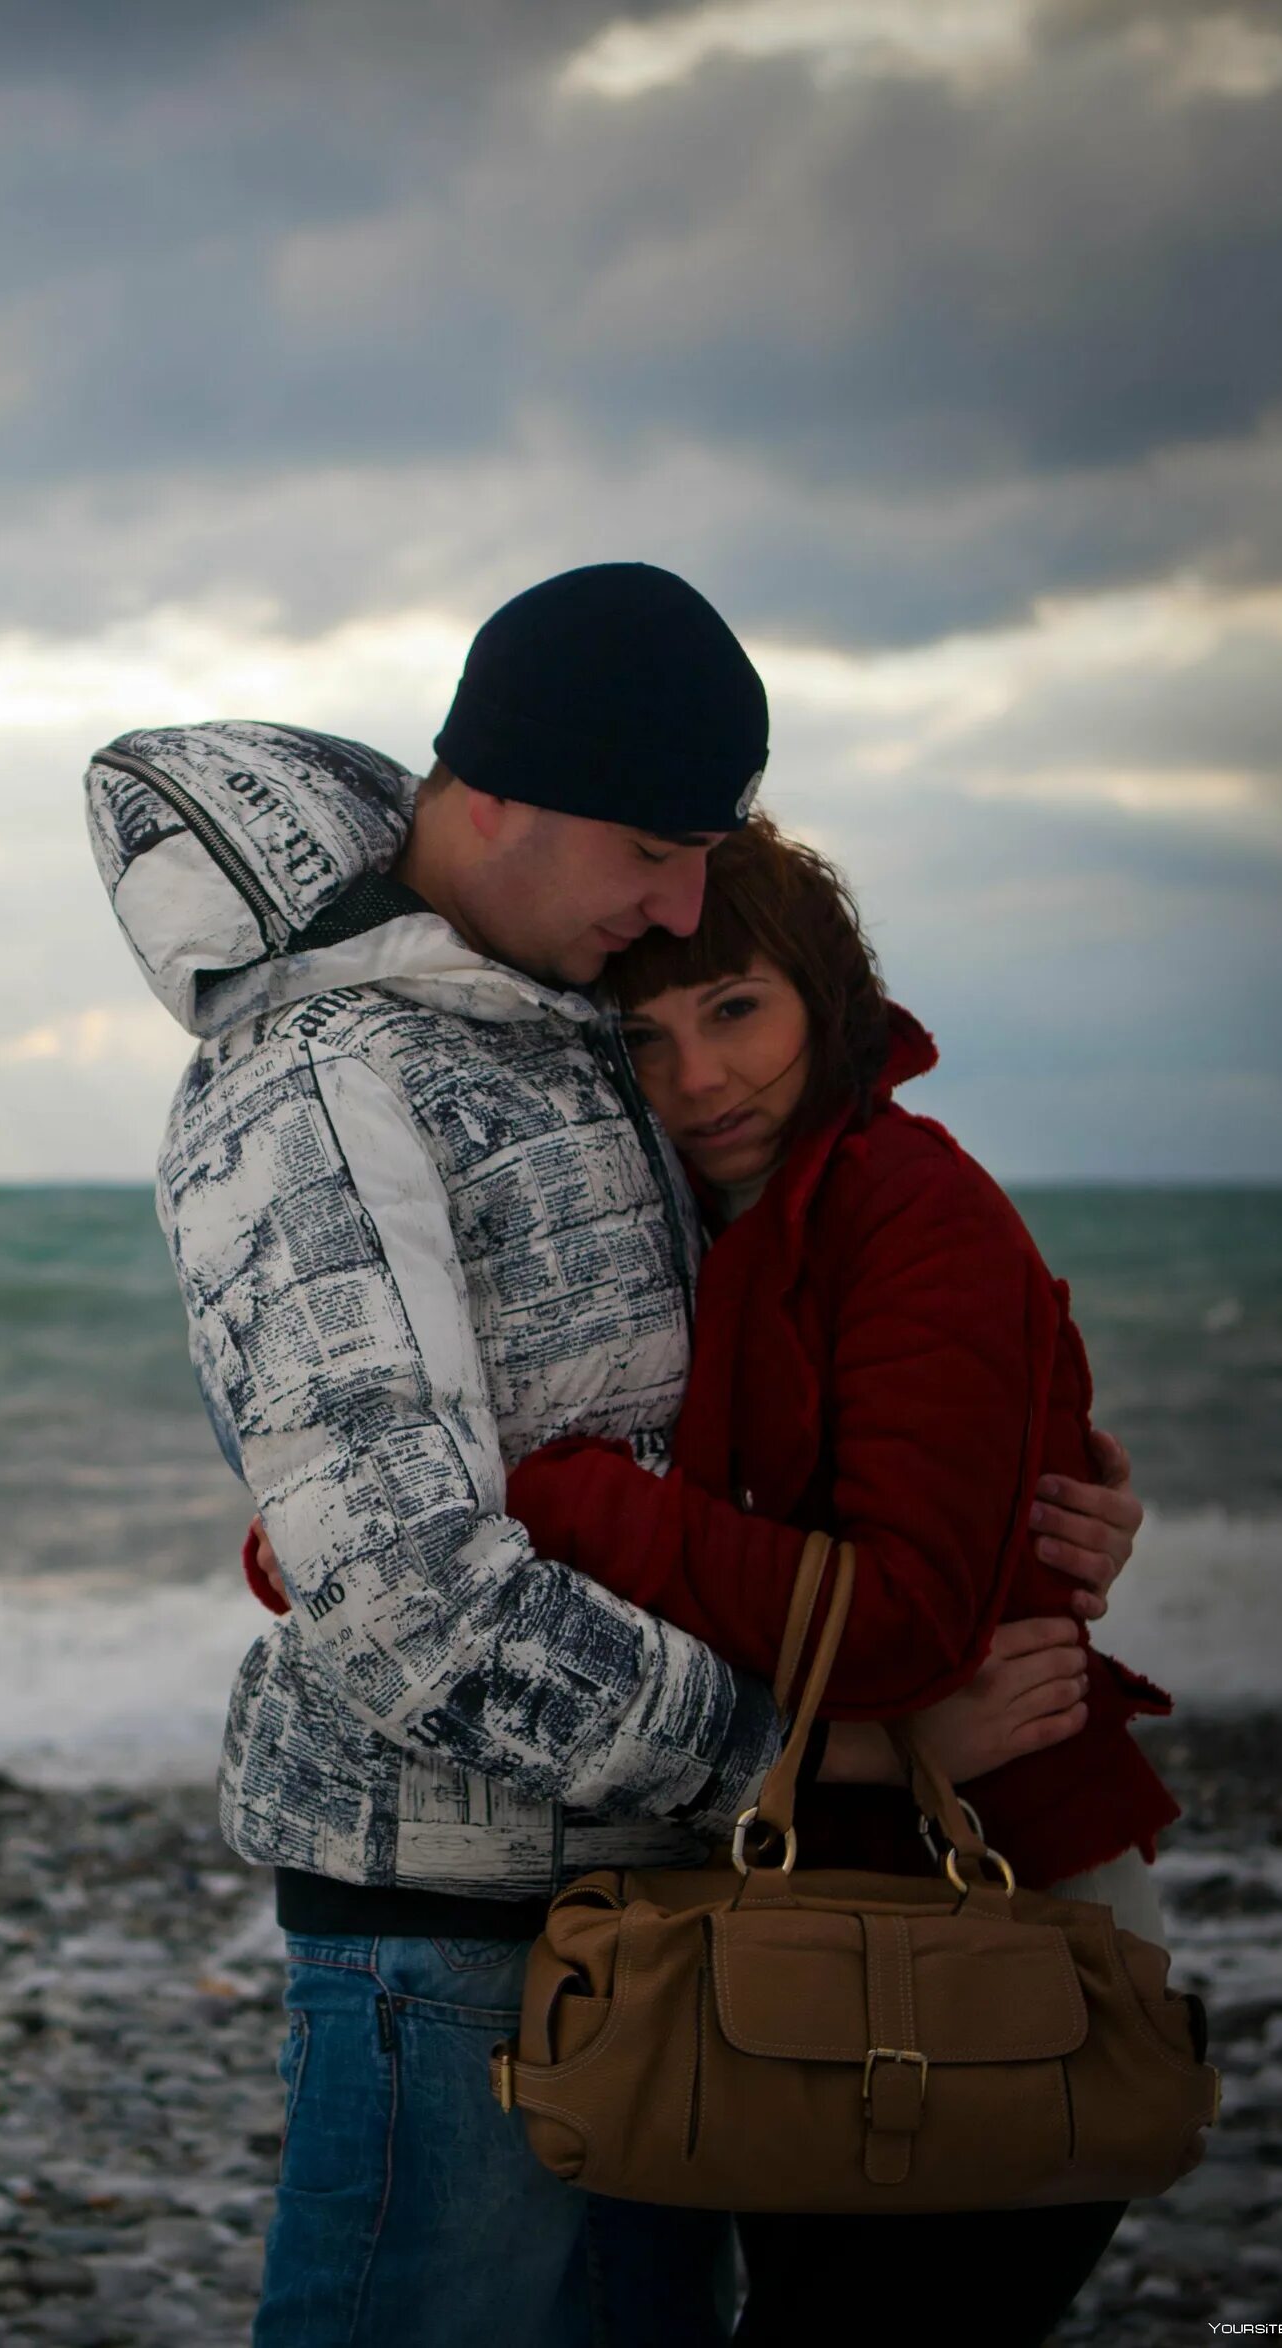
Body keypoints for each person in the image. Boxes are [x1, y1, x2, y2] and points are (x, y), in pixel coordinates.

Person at [84, 562, 1145, 2347]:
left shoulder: (563, 1021)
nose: (687, 900)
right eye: (655, 848)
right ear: (495, 798)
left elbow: (716, 1404)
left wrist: (1033, 1488)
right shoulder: (324, 1078)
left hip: (667, 1922)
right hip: (452, 1938)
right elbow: (419, 1604)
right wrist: (847, 1749)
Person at [488, 816, 1177, 2342]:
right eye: (645, 1041)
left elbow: (904, 1625)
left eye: (737, 1012)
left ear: (828, 994)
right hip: (801, 1914)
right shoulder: (690, 1225)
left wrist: (572, 1506)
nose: (700, 1081)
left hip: (1003, 1925)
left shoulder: (912, 1208)